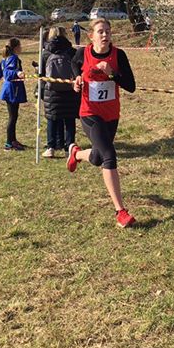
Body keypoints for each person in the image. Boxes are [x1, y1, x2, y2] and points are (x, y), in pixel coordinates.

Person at [67, 18, 137, 228]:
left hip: (111, 115)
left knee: (97, 158)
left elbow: (131, 86)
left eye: (108, 31)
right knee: (109, 155)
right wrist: (76, 79)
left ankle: (76, 154)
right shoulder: (83, 53)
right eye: (100, 31)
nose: (105, 35)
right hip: (89, 113)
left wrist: (112, 74)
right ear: (91, 36)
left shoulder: (118, 55)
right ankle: (120, 211)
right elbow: (74, 65)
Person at [41, 26, 80, 158]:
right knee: (69, 119)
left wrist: (41, 90)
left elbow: (41, 74)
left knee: (52, 119)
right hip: (70, 89)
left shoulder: (46, 53)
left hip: (51, 91)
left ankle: (51, 147)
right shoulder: (72, 51)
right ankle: (69, 146)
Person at [0, 38, 27, 152]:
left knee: (14, 116)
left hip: (9, 90)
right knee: (13, 117)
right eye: (20, 46)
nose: (21, 48)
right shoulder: (14, 58)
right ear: (15, 48)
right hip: (13, 90)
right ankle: (9, 143)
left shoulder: (5, 58)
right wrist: (17, 72)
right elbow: (7, 73)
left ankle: (13, 140)